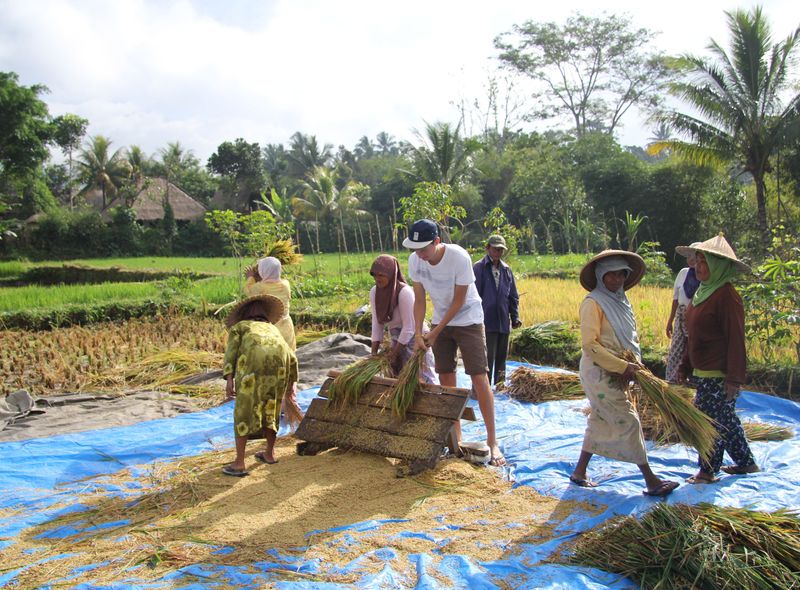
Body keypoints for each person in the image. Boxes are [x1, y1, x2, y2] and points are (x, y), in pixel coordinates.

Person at [570, 250, 679, 497]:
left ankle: (579, 472)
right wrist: (623, 366)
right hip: (599, 373)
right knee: (629, 421)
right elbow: (591, 345)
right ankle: (651, 480)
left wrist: (631, 364)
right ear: (601, 276)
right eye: (611, 275)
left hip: (619, 372)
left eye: (621, 274)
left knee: (599, 419)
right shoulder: (593, 303)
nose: (617, 280)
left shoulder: (621, 301)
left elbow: (629, 338)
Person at [403, 219, 505, 466]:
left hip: (468, 318)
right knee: (446, 380)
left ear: (437, 242)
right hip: (440, 320)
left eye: (424, 248)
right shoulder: (415, 261)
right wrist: (419, 331)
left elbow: (459, 301)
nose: (419, 253)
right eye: (415, 248)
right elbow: (419, 299)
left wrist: (436, 332)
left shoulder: (458, 257)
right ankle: (456, 440)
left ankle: (492, 442)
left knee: (479, 377)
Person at [677, 234, 759, 484]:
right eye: (698, 261)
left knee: (709, 423)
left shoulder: (726, 296)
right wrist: (685, 364)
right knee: (725, 419)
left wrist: (734, 379)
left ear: (719, 267)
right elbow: (694, 335)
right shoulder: (703, 292)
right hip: (703, 371)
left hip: (718, 373)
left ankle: (708, 470)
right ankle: (746, 463)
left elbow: (736, 339)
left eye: (705, 263)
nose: (699, 267)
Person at [222, 293, 298, 477]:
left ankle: (240, 463)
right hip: (280, 365)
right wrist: (291, 384)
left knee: (244, 409)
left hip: (253, 367)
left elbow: (231, 354)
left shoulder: (240, 327)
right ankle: (270, 454)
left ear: (244, 315)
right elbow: (291, 356)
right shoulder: (273, 329)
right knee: (271, 406)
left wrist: (229, 378)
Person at [245, 257, 303, 428]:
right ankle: (289, 403)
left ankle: (273, 406)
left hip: (270, 330)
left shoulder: (259, 287)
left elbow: (248, 291)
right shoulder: (285, 285)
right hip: (286, 329)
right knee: (288, 364)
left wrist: (251, 276)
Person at [369, 254, 437, 383]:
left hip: (416, 337)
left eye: (381, 275)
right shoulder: (374, 292)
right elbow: (377, 323)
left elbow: (409, 327)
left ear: (391, 274)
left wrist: (394, 353)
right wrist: (374, 353)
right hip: (396, 336)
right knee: (398, 375)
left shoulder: (404, 292)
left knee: (420, 374)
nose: (377, 279)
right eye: (374, 275)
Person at [473, 235, 522, 386]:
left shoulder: (506, 270)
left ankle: (500, 387)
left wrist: (515, 317)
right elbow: (473, 295)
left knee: (501, 357)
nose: (498, 252)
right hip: (486, 320)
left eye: (501, 249)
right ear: (488, 248)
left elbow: (513, 296)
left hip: (503, 320)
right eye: (495, 249)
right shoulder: (479, 268)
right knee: (487, 358)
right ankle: (485, 388)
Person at [664, 244, 701, 383]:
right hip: (681, 314)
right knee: (676, 349)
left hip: (696, 317)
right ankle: (672, 382)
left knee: (693, 349)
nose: (691, 260)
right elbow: (676, 298)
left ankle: (691, 382)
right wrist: (670, 321)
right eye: (689, 256)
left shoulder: (704, 277)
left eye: (694, 257)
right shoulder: (683, 273)